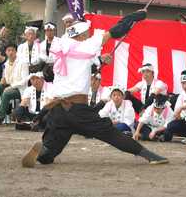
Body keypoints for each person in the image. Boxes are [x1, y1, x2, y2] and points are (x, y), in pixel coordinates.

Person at [21, 10, 169, 168]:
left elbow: (78, 66)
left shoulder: (63, 48)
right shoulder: (86, 46)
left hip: (58, 110)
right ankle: (149, 155)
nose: (88, 36)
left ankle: (42, 153)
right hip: (78, 110)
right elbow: (115, 31)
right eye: (86, 34)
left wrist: (98, 60)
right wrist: (136, 16)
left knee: (50, 152)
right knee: (109, 133)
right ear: (81, 35)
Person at [0, 43, 28, 125]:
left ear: (16, 52)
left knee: (6, 93)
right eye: (9, 50)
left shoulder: (23, 62)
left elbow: (25, 80)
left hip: (20, 89)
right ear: (5, 52)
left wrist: (11, 86)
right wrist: (3, 80)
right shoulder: (6, 64)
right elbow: (6, 79)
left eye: (13, 50)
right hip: (8, 86)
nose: (11, 52)